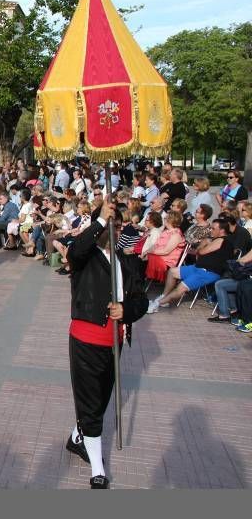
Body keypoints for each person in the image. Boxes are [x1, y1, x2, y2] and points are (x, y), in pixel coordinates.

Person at [64, 199, 149, 489]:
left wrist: (126, 310)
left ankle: (79, 436)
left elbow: (142, 300)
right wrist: (99, 219)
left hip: (115, 341)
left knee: (100, 398)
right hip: (86, 339)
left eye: (116, 223)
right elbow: (76, 250)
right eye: (108, 222)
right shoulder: (85, 257)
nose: (113, 227)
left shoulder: (128, 261)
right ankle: (97, 469)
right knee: (90, 402)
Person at [147, 219, 234, 313]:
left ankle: (157, 304)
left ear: (222, 230)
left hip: (208, 272)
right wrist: (204, 244)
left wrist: (204, 243)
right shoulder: (214, 240)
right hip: (197, 267)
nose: (210, 230)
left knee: (180, 287)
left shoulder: (222, 240)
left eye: (213, 229)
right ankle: (164, 298)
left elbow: (201, 252)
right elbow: (199, 252)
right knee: (172, 272)